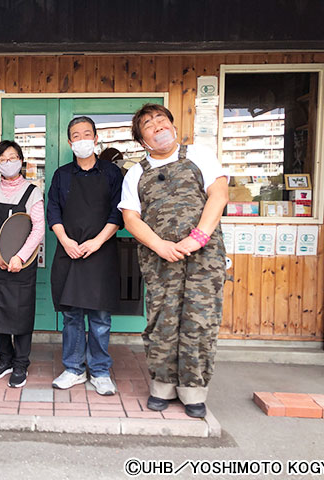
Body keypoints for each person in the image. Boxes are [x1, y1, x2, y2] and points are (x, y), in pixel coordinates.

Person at [118, 103, 228, 418]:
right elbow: (131, 218)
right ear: (142, 140)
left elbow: (219, 195)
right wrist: (161, 245)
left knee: (199, 322)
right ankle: (162, 386)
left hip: (203, 259)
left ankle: (194, 391)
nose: (158, 126)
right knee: (161, 323)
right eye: (149, 125)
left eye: (161, 120)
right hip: (159, 260)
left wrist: (199, 237)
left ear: (173, 125)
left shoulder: (200, 156)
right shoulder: (136, 173)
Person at [47, 116, 123, 396]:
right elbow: (52, 211)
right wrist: (65, 240)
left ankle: (101, 371)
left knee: (101, 318)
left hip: (101, 253)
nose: (81, 139)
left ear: (95, 138)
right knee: (72, 317)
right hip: (70, 252)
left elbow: (119, 212)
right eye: (76, 136)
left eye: (86, 134)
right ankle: (74, 369)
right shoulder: (62, 175)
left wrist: (97, 241)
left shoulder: (113, 173)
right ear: (69, 142)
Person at [0, 140, 45, 388]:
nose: (8, 162)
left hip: (22, 265)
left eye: (12, 157)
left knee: (21, 312)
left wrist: (20, 257)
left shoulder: (32, 191)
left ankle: (21, 363)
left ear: (21, 160)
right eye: (2, 159)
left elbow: (38, 229)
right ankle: (4, 358)